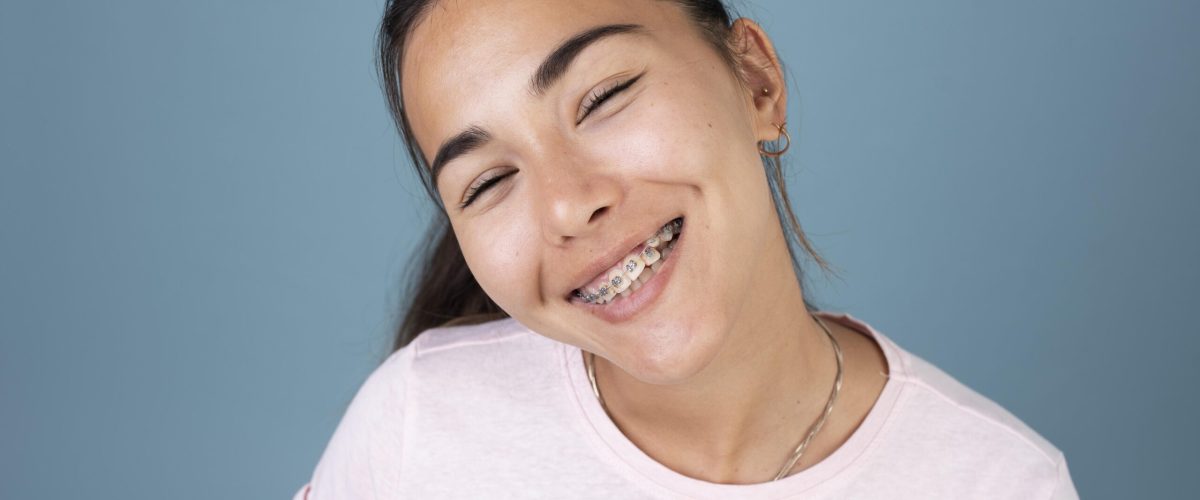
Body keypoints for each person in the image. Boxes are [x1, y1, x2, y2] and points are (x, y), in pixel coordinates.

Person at [294, 0, 1080, 498]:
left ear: (755, 81)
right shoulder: (419, 428)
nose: (569, 204)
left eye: (601, 98)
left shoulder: (998, 481)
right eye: (488, 180)